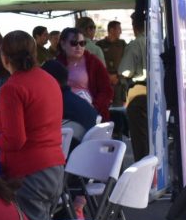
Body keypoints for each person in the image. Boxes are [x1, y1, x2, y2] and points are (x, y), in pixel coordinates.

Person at [0, 31, 65, 220]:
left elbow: (15, 140)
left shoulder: (13, 87)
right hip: (54, 167)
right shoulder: (48, 79)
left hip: (28, 173)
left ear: (4, 57)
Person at [56, 27, 113, 121]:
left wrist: (94, 107)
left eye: (82, 43)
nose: (79, 47)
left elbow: (107, 90)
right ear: (63, 44)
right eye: (74, 43)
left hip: (90, 113)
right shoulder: (56, 64)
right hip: (65, 114)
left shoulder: (93, 62)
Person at [42, 59, 98, 144]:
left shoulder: (57, 104)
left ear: (52, 81)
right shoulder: (78, 101)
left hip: (70, 152)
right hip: (87, 151)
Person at [119, 11, 149, 160]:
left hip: (138, 92)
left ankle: (144, 172)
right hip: (156, 91)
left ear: (135, 26)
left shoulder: (136, 44)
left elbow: (125, 71)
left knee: (140, 138)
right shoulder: (158, 42)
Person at [96, 20, 128, 106]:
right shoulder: (100, 44)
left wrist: (117, 76)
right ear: (111, 30)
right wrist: (107, 76)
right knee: (105, 106)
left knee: (119, 107)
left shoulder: (122, 44)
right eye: (119, 29)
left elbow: (126, 62)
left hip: (119, 81)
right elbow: (97, 63)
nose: (120, 32)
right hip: (104, 81)